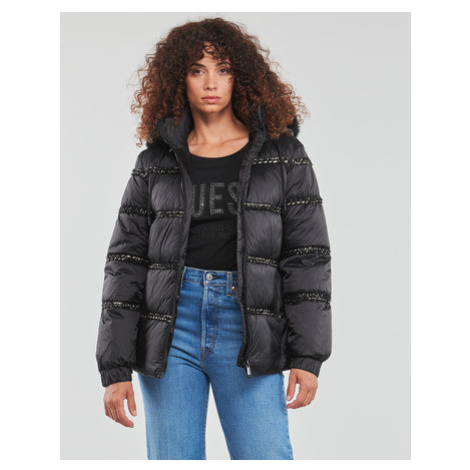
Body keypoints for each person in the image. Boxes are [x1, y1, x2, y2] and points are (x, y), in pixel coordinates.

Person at [95, 17, 332, 460]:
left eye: (223, 69)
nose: (211, 83)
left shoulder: (284, 156)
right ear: (177, 80)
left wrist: (308, 356)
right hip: (171, 325)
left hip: (249, 324)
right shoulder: (155, 162)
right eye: (197, 70)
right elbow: (126, 262)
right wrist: (115, 367)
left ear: (241, 77)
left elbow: (307, 258)